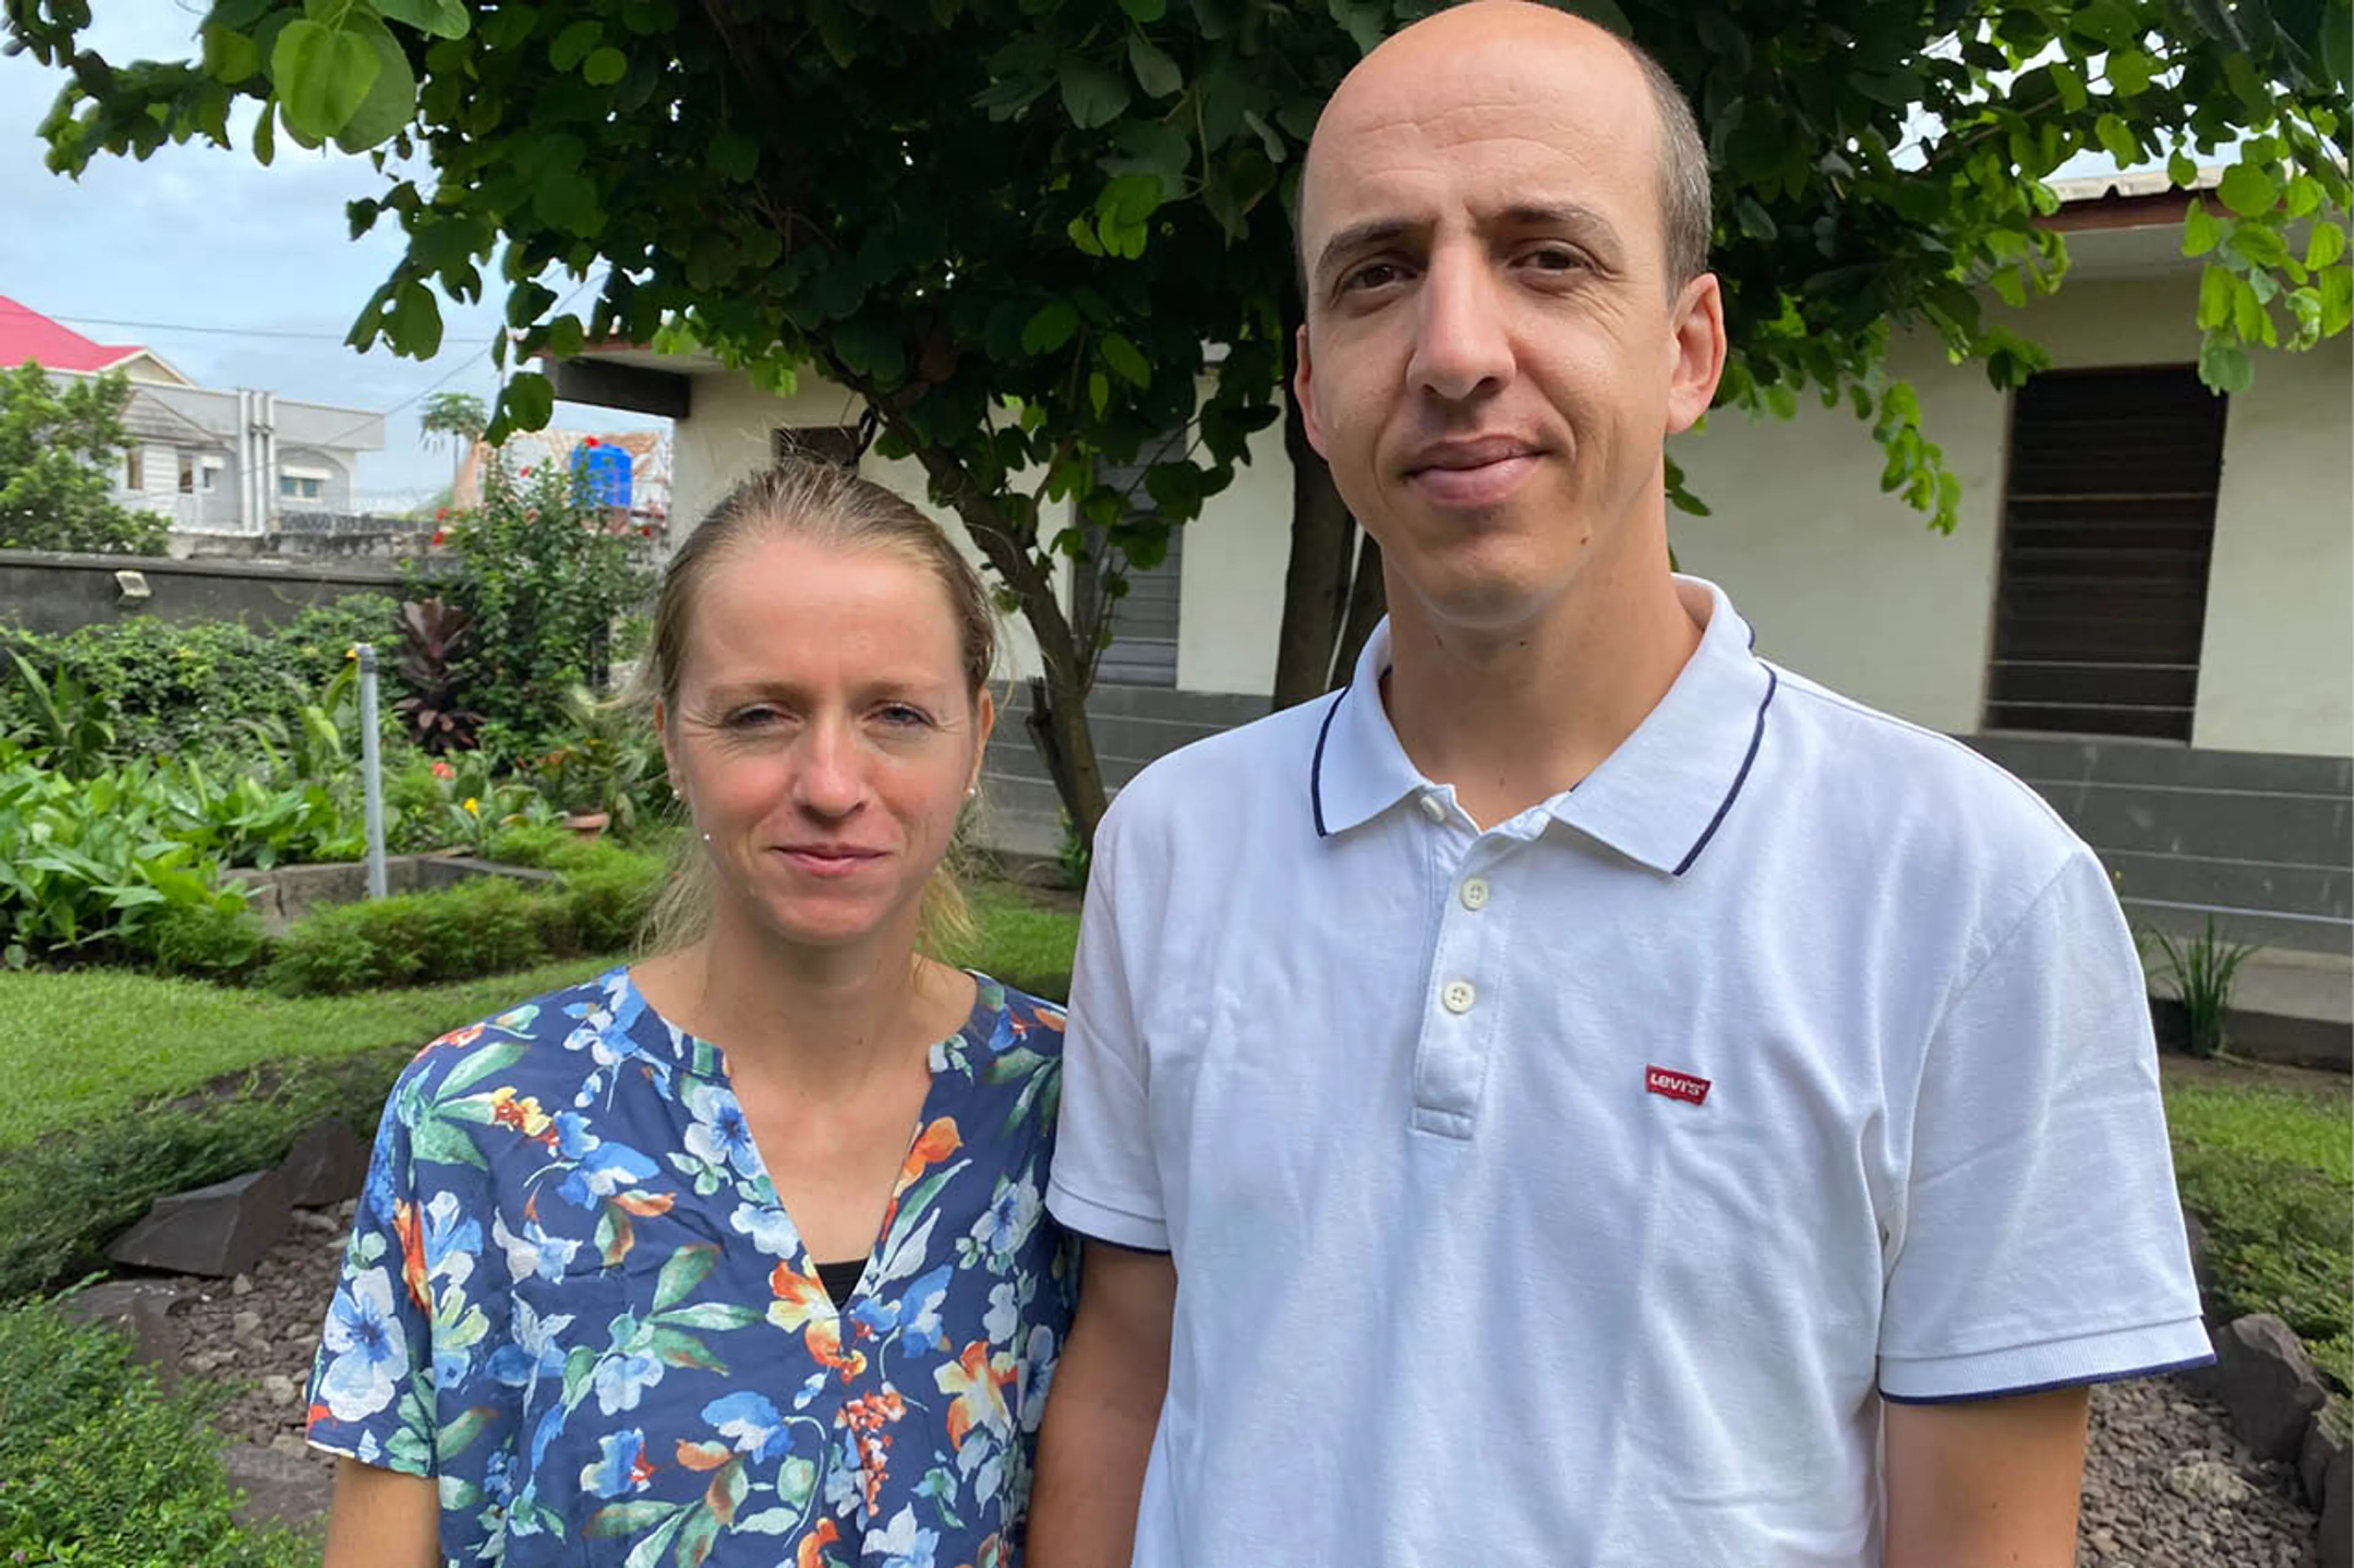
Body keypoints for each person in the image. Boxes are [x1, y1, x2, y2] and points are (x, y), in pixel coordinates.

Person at [1029, 4, 2210, 1564]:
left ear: (1688, 348)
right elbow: (1126, 1379)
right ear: (1313, 392)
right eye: (1380, 271)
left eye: (1547, 255)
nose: (1455, 350)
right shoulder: (1173, 847)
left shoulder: (1977, 898)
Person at [306, 461, 1077, 1567]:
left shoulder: (1072, 1106)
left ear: (974, 741)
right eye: (761, 714)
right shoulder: (478, 1120)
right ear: (671, 737)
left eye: (897, 713)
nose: (829, 779)